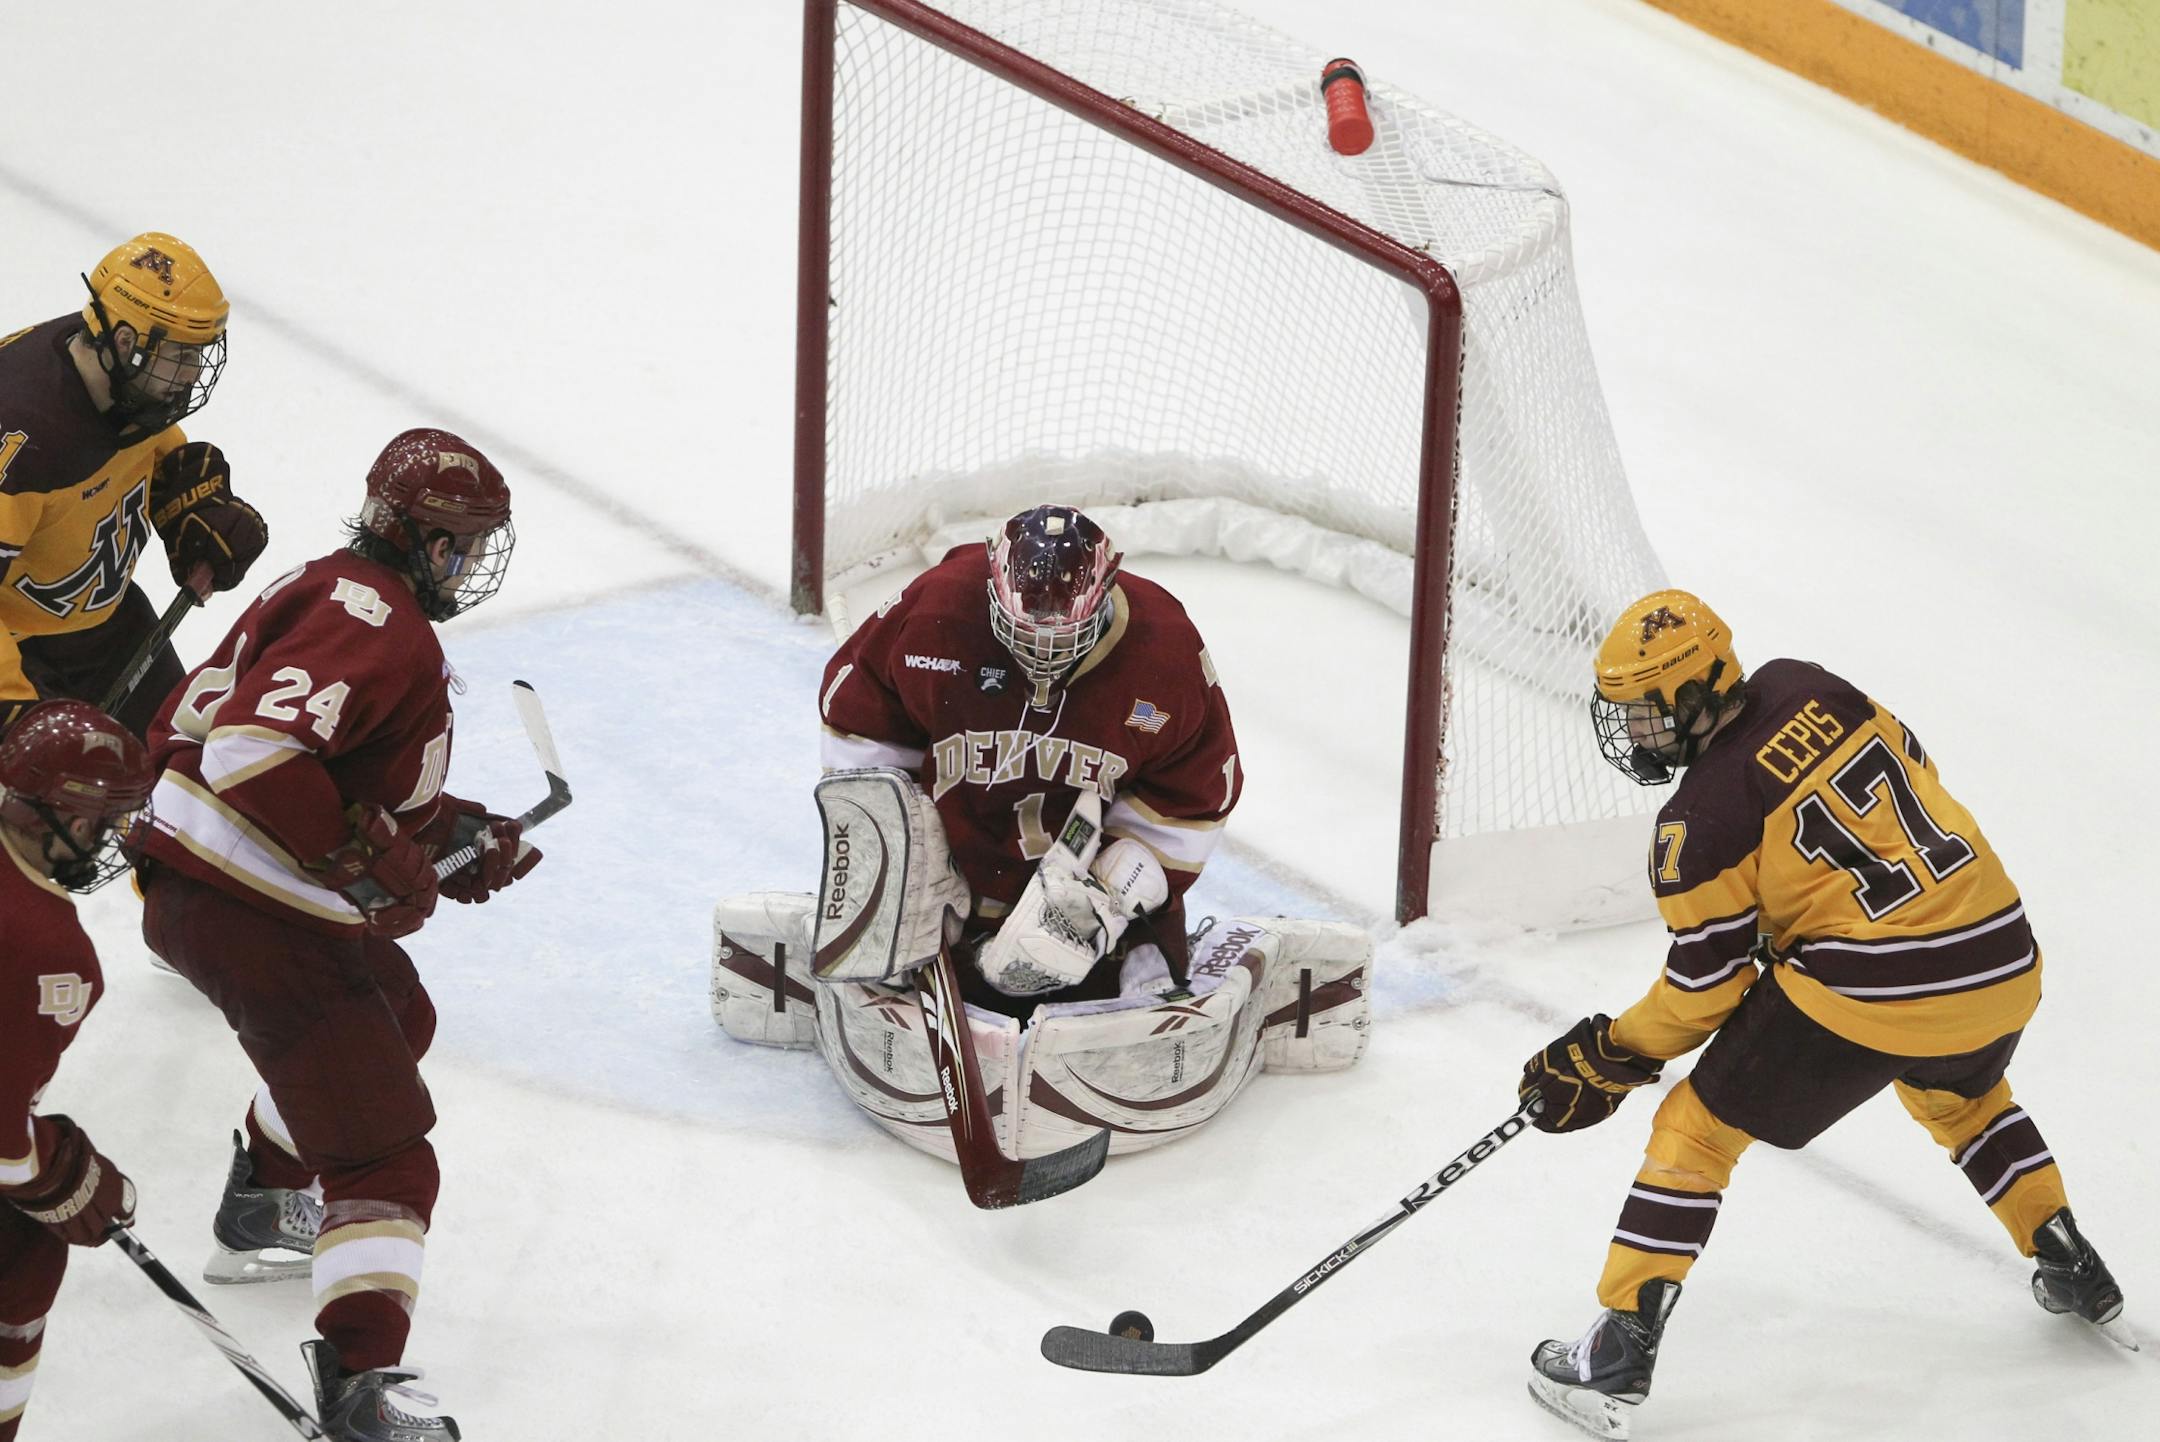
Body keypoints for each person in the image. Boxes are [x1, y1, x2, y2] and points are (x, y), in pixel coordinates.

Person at [1518, 589, 2131, 1440]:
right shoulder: (1812, 685)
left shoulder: (1697, 824)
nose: (1636, 736)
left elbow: (1703, 992)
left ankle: (1616, 1354)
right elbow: (1917, 763)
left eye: (1646, 715)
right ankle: (2067, 1256)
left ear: (1695, 694)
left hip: (1872, 989)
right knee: (1963, 1098)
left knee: (1694, 1132)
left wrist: (1613, 1053)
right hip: (2003, 954)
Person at [135, 428, 536, 1442]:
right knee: (391, 1161)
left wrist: (449, 834)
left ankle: (267, 1197)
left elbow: (337, 770)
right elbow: (255, 753)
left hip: (210, 885)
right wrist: (362, 860)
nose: (467, 563)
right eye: (458, 542)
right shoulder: (382, 618)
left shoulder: (340, 588)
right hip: (249, 905)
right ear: (414, 535)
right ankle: (359, 1378)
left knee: (400, 1009)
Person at [819, 502, 1241, 1010]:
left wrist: (1103, 896)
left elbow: (1192, 796)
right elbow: (857, 732)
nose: (1042, 652)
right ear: (992, 587)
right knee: (882, 932)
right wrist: (902, 853)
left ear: (1105, 594)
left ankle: (1141, 983)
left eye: (1064, 637)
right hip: (954, 884)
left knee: (1147, 986)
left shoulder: (1164, 654)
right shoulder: (935, 612)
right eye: (1023, 633)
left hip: (1084, 882)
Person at [0, 233, 269, 738]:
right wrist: (12, 711)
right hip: (20, 653)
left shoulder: (121, 379)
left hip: (105, 624)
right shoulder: (20, 437)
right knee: (61, 809)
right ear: (126, 341)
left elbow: (143, 442)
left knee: (179, 764)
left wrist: (188, 499)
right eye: (180, 356)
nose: (192, 373)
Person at [0, 702, 156, 1442]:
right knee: (27, 1254)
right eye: (104, 821)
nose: (112, 838)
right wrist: (62, 1177)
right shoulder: (50, 953)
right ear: (62, 818)